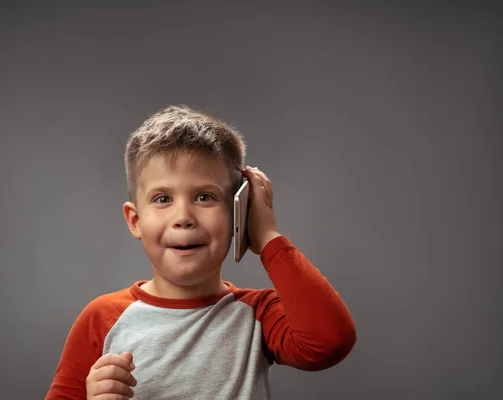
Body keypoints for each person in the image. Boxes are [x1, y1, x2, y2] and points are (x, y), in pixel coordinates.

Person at [45, 105, 357, 400]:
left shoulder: (257, 315)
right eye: (163, 198)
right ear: (135, 221)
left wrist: (268, 238)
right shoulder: (101, 319)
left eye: (205, 197)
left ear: (240, 213)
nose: (183, 217)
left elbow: (330, 341)